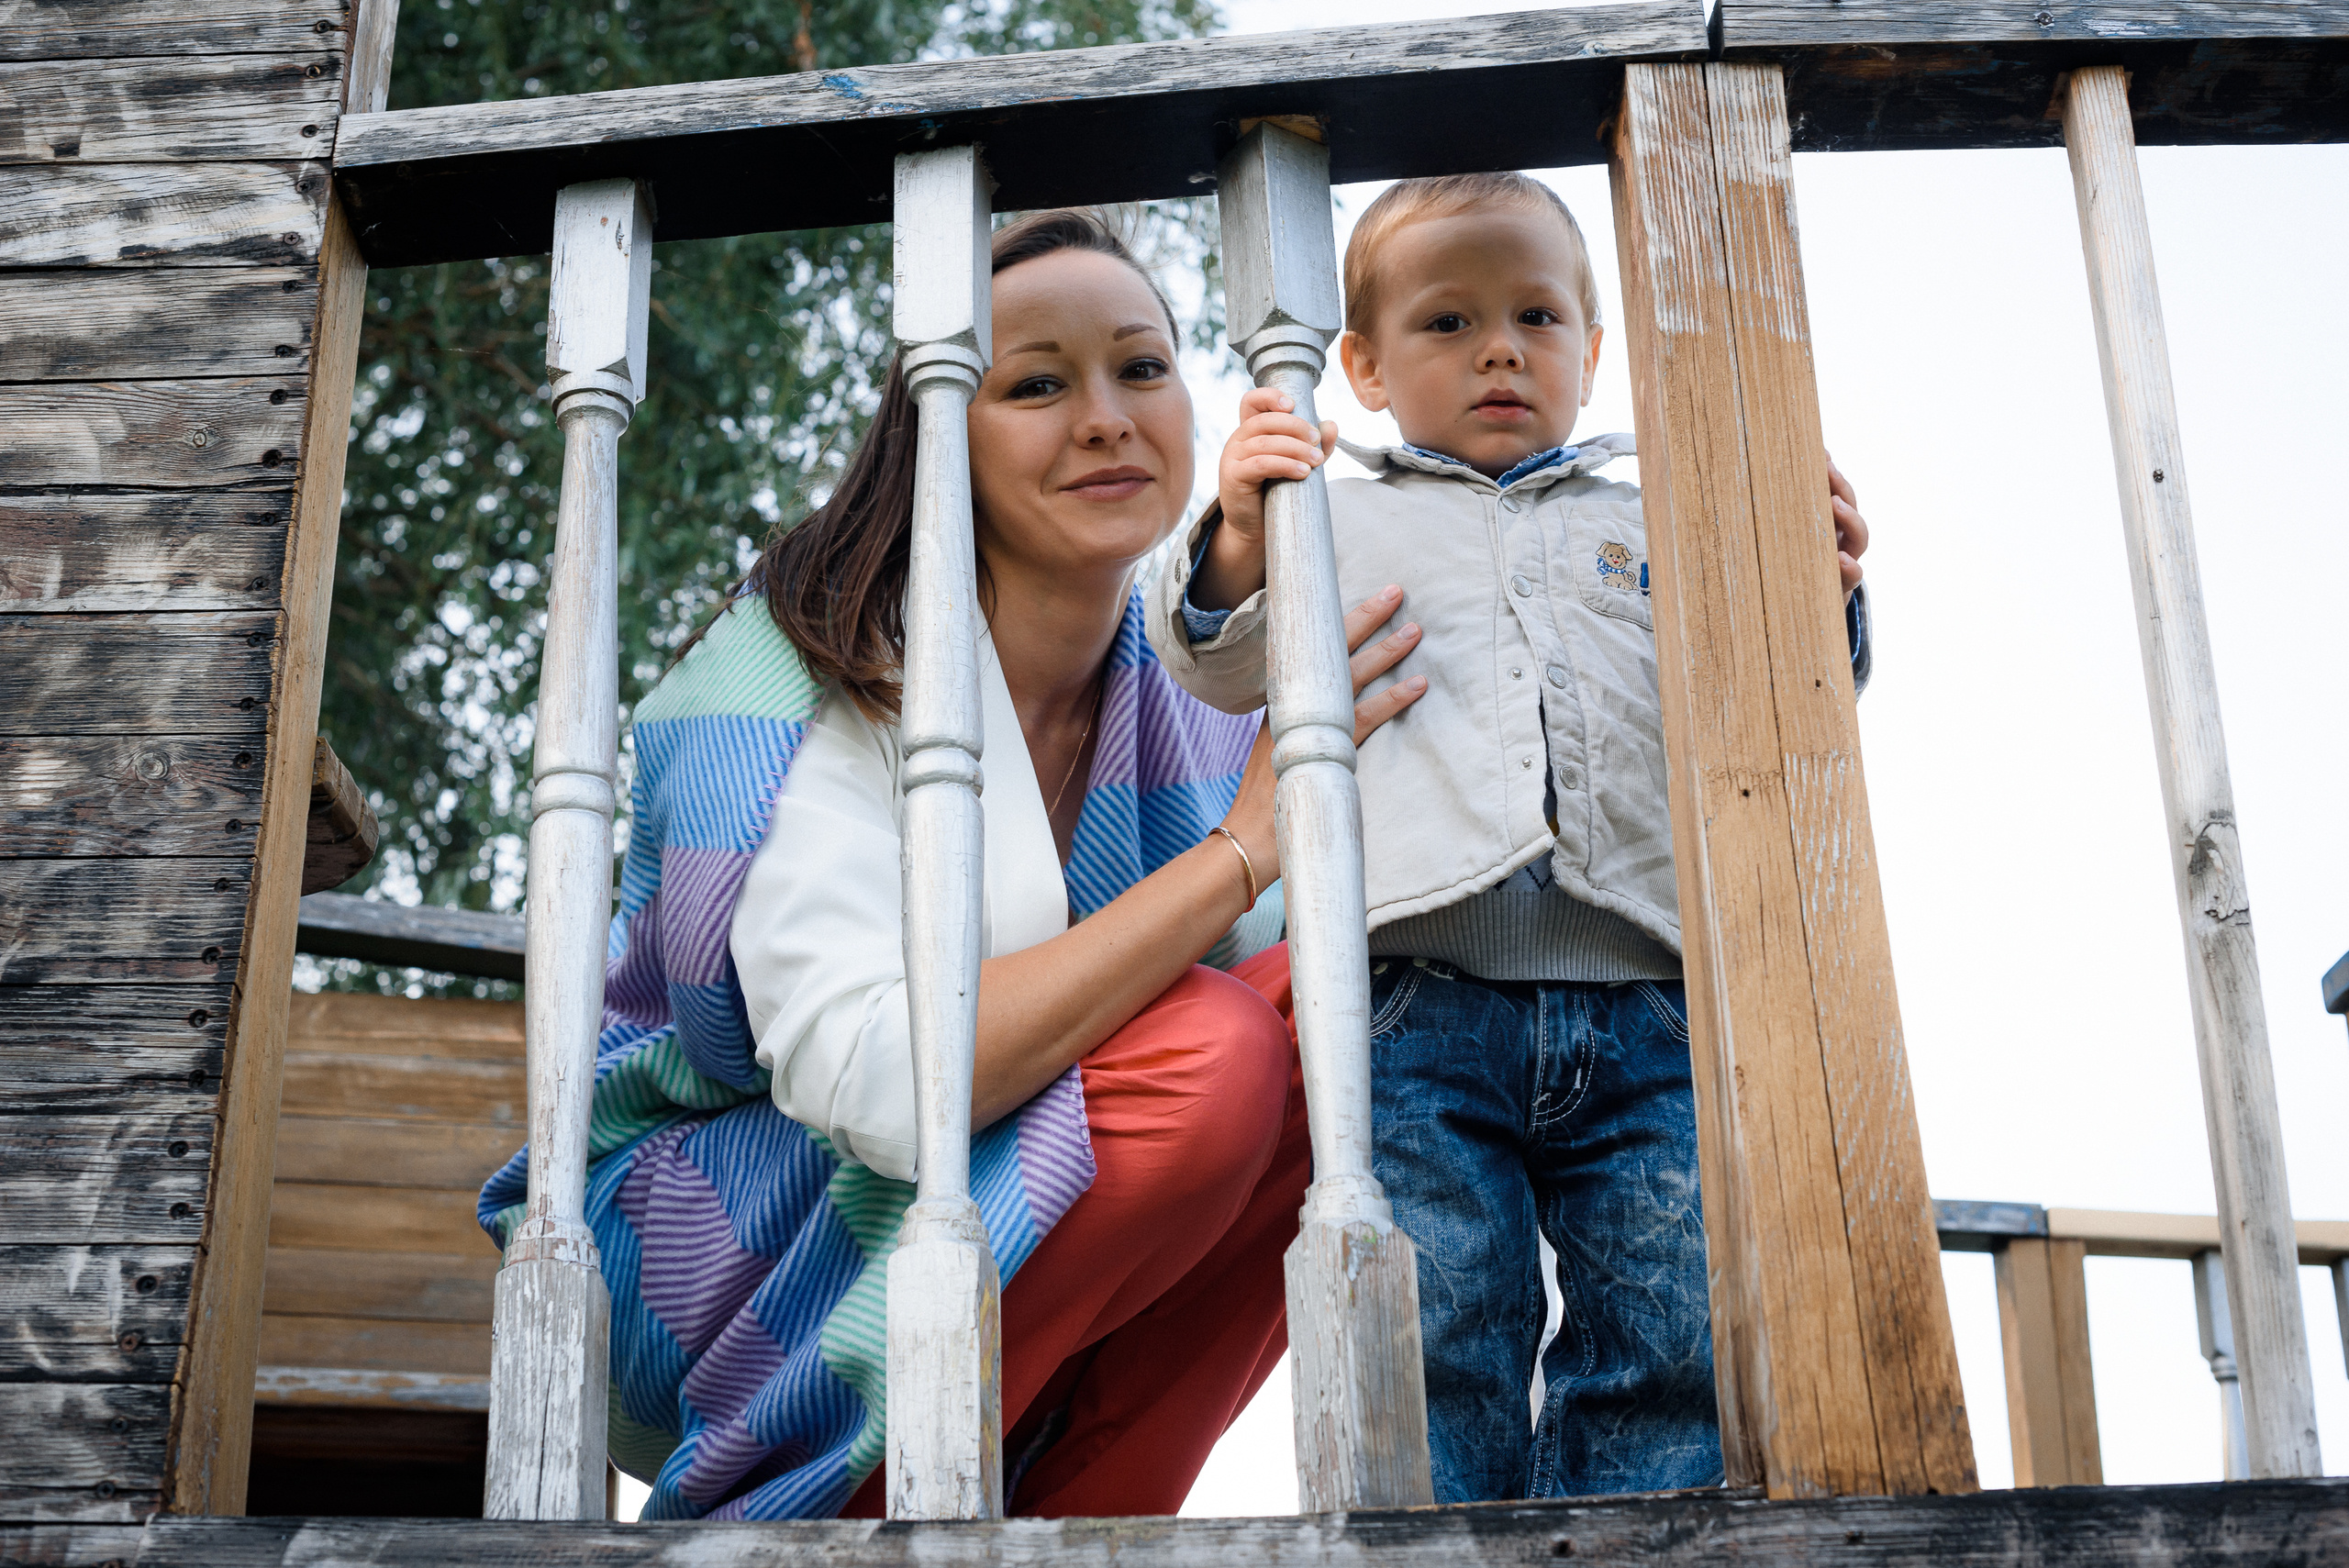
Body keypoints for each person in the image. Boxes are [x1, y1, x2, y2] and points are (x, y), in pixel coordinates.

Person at [478, 208, 1426, 1520]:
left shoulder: (1190, 688)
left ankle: (1091, 1509)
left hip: (990, 1208)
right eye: (1036, 383)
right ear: (940, 434)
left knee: (1359, 1028)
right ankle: (847, 1499)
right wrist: (1236, 852)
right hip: (710, 1228)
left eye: (1141, 367)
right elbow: (877, 1081)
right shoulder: (806, 669)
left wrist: (1808, 605)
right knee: (1215, 1054)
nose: (1104, 417)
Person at [1149, 173, 1874, 1503]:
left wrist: (1813, 592)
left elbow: (1775, 697)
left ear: (1592, 353)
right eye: (1447, 322)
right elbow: (1216, 659)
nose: (1499, 347)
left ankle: (1630, 1525)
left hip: (1649, 995)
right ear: (1360, 365)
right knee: (1440, 1313)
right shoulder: (1337, 512)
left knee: (1669, 1314)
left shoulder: (1653, 524)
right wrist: (1241, 536)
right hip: (1422, 994)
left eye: (1537, 315)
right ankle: (1439, 1533)